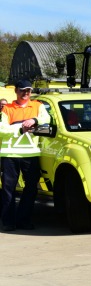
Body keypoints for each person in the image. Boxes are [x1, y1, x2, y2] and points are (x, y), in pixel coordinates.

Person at [0, 80, 50, 231]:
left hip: (31, 154)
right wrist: (20, 129)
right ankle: (8, 222)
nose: (26, 93)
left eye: (28, 90)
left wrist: (34, 120)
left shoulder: (37, 106)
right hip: (10, 154)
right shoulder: (7, 109)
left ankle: (24, 221)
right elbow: (2, 129)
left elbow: (47, 119)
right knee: (8, 190)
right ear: (16, 91)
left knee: (31, 190)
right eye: (23, 90)